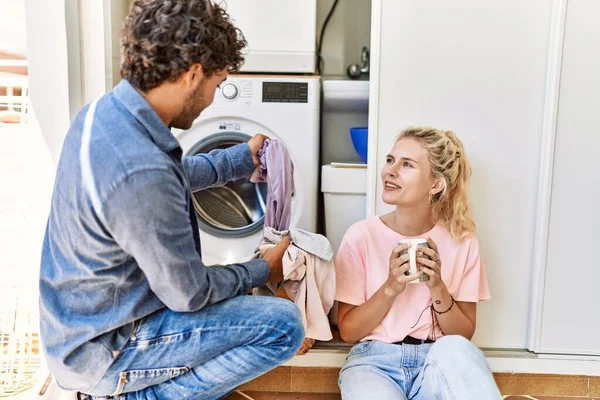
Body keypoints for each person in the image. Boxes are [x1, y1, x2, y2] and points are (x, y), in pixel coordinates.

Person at [39, 1, 304, 398]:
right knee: (283, 324)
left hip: (77, 331)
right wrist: (260, 270)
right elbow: (190, 294)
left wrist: (236, 159)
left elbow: (167, 180)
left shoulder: (104, 115)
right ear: (192, 74)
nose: (213, 99)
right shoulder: (142, 171)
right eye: (216, 85)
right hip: (108, 350)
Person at [335, 127, 502, 399]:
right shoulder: (361, 236)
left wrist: (437, 286)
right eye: (390, 160)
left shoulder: (463, 242)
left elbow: (463, 335)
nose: (390, 171)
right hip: (374, 362)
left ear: (435, 184)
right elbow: (349, 331)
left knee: (458, 352)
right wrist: (390, 287)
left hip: (435, 358)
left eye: (407, 165)